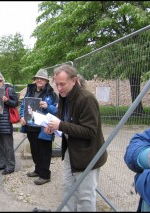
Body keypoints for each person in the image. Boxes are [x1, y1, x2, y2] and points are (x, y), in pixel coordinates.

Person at [44, 64, 107, 211]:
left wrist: (60, 125)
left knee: (85, 197)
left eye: (62, 84)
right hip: (71, 152)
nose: (59, 88)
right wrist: (52, 127)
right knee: (68, 190)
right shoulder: (64, 96)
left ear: (74, 80)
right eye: (56, 84)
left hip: (88, 155)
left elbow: (90, 131)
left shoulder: (86, 99)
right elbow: (63, 120)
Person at [20, 69, 58, 185]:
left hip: (44, 128)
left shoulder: (52, 94)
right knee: (35, 150)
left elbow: (57, 110)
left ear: (46, 81)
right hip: (31, 126)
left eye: (41, 78)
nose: (39, 80)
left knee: (44, 151)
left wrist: (48, 106)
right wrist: (22, 117)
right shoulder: (29, 91)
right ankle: (37, 170)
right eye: (37, 78)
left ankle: (45, 175)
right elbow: (23, 106)